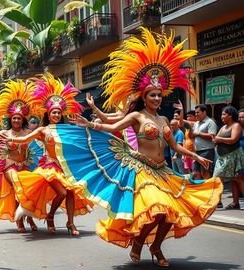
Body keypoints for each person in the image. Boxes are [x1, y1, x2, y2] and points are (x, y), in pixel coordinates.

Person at [61, 28, 222, 267]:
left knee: (170, 212)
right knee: (155, 209)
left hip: (163, 171)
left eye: (159, 95)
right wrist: (90, 122)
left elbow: (175, 146)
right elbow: (112, 125)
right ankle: (139, 244)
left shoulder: (164, 120)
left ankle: (156, 246)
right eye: (152, 95)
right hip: (142, 170)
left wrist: (195, 157)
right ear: (144, 97)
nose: (157, 98)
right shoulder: (136, 116)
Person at [0, 73, 94, 236]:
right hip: (50, 167)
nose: (56, 115)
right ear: (48, 114)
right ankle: (50, 217)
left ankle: (70, 223)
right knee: (63, 192)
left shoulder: (67, 130)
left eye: (58, 113)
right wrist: (9, 137)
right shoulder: (42, 130)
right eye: (53, 113)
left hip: (66, 167)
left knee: (71, 191)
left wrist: (87, 122)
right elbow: (25, 139)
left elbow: (84, 141)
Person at [0, 79, 38, 233]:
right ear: (11, 119)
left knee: (27, 192)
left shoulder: (29, 133)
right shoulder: (4, 133)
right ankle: (19, 220)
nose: (16, 120)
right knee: (17, 188)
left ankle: (29, 217)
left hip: (25, 166)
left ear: (23, 120)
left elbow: (43, 137)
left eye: (19, 118)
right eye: (14, 118)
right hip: (9, 166)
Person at [212, 106, 244, 210]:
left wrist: (219, 139)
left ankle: (223, 202)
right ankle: (218, 202)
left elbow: (233, 139)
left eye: (224, 114)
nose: (222, 116)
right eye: (222, 114)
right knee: (218, 178)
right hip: (222, 158)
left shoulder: (236, 125)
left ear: (230, 116)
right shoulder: (222, 127)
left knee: (237, 179)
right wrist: (216, 140)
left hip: (233, 156)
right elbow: (217, 138)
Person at [191, 104, 218, 180]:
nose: (196, 114)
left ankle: (208, 191)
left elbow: (212, 136)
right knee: (195, 174)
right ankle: (199, 191)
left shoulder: (210, 122)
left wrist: (199, 133)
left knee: (205, 173)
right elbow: (193, 135)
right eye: (195, 113)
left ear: (204, 112)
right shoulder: (196, 123)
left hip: (207, 151)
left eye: (198, 112)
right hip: (197, 152)